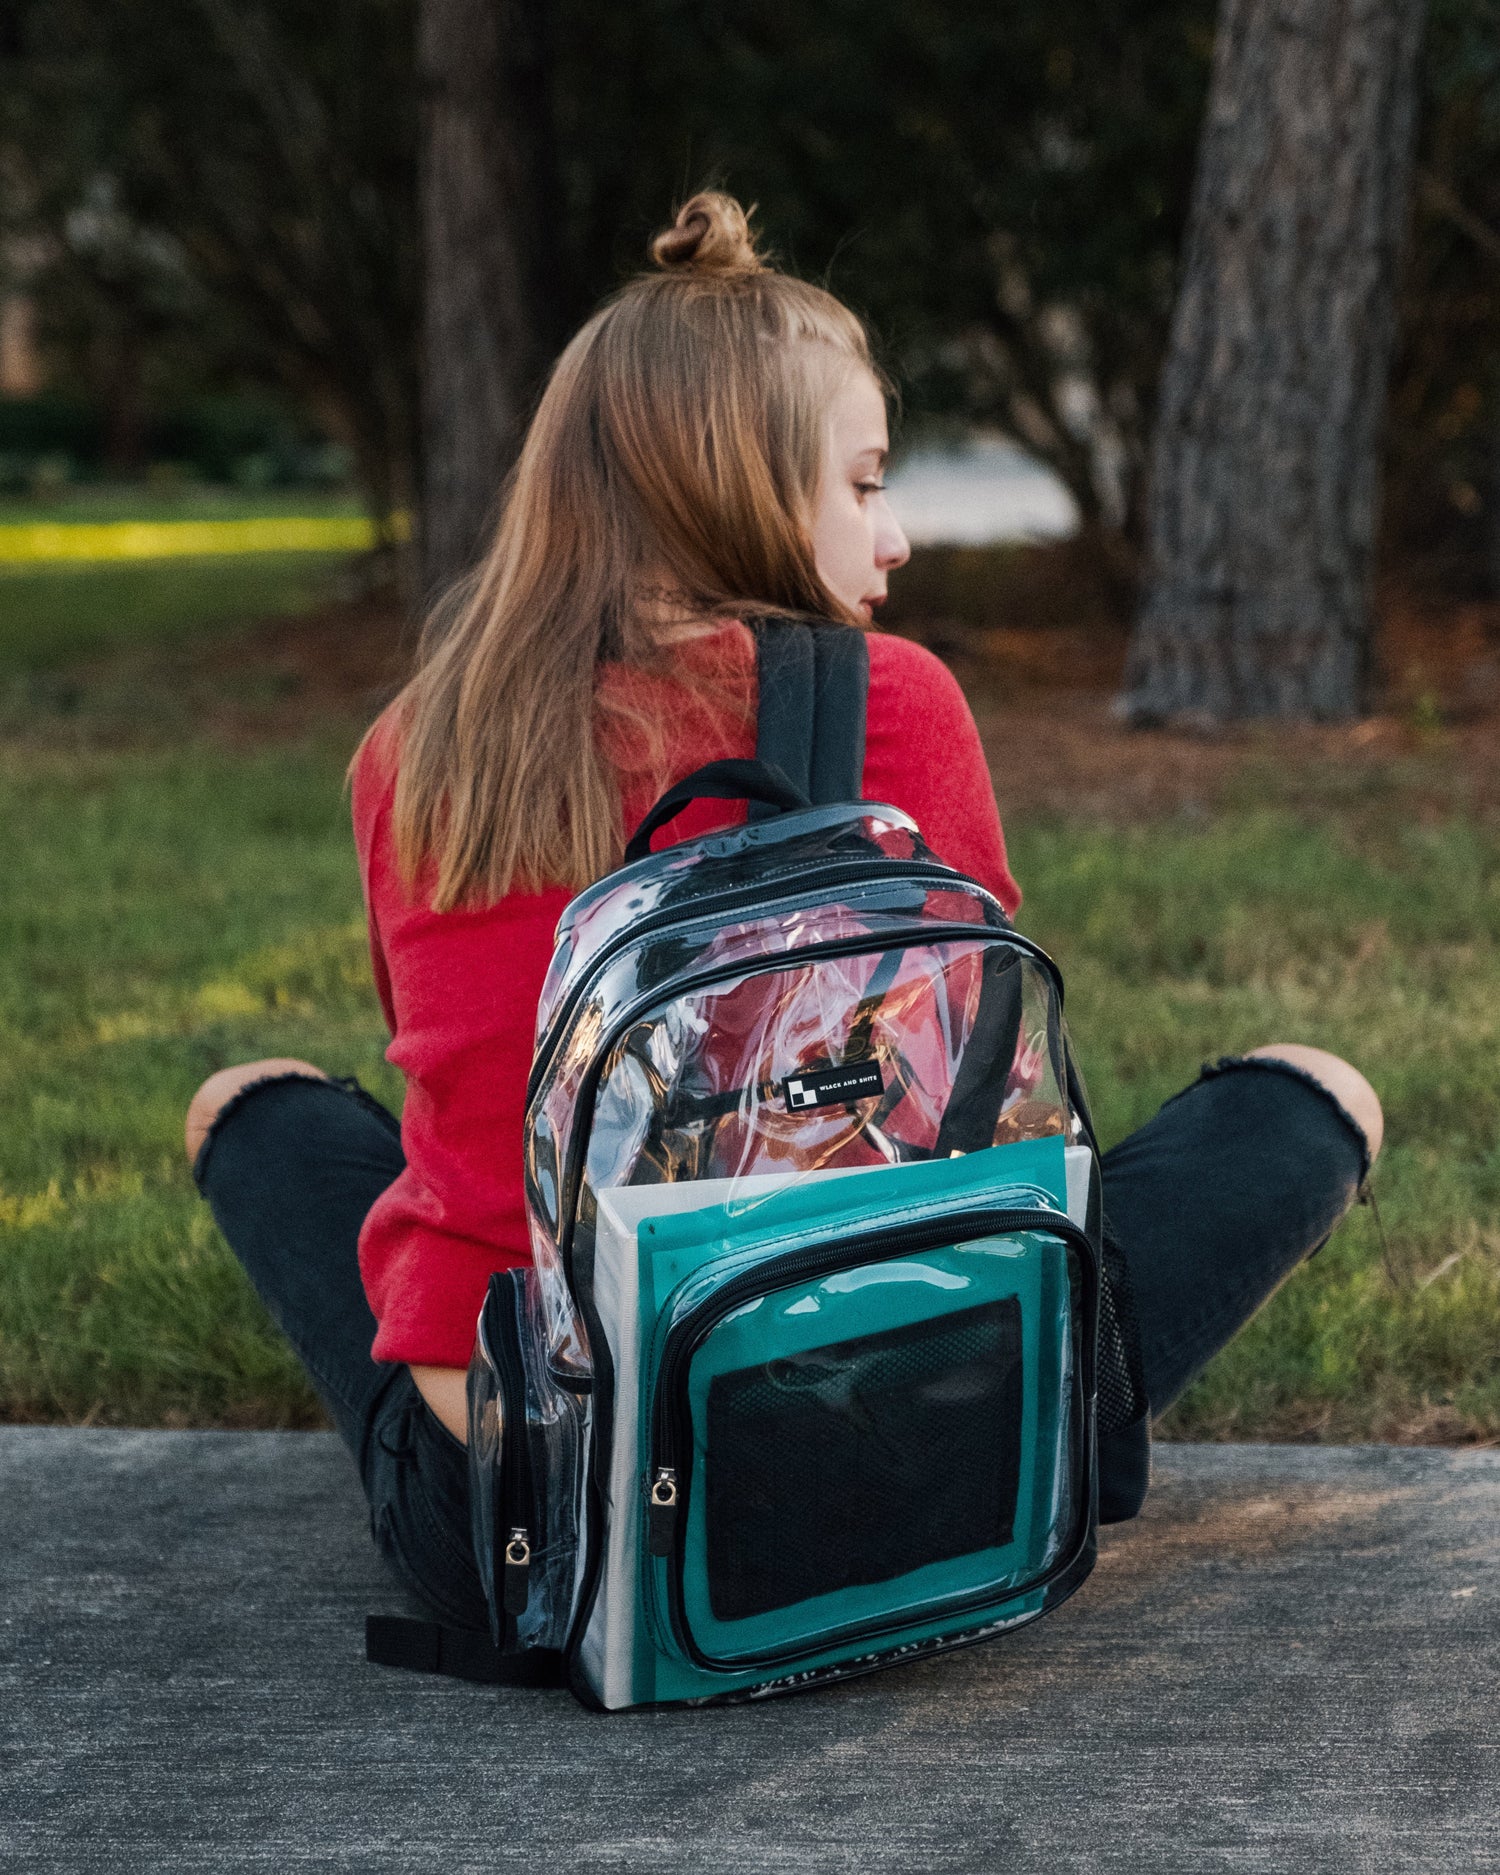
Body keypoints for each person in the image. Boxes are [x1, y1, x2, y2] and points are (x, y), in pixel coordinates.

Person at [184, 193, 1383, 1633]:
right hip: (872, 1473)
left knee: (253, 1108)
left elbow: (468, 1084)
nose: (898, 540)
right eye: (865, 485)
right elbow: (972, 1112)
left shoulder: (412, 748)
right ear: (734, 485)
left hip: (513, 1530)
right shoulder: (900, 704)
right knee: (1316, 1096)